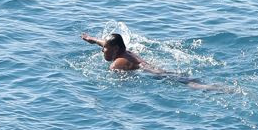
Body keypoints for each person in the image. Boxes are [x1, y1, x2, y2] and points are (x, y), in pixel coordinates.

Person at [81, 32, 235, 92]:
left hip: (155, 75)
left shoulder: (118, 63)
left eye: (105, 49)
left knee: (194, 85)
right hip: (158, 69)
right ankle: (221, 88)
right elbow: (105, 43)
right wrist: (92, 40)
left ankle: (224, 90)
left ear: (115, 49)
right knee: (188, 80)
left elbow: (121, 82)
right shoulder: (122, 50)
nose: (102, 50)